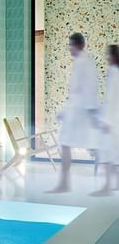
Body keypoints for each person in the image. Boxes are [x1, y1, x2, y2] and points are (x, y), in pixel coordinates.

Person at [49, 32, 99, 193]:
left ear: (77, 45)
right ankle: (64, 183)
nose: (69, 48)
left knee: (66, 143)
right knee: (66, 143)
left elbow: (85, 91)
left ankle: (64, 184)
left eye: (70, 45)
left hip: (79, 111)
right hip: (78, 110)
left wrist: (68, 111)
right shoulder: (84, 62)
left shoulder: (83, 63)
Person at [93, 45, 119, 195]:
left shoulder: (114, 72)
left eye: (108, 54)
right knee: (114, 152)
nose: (106, 57)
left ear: (114, 56)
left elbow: (111, 98)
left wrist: (106, 120)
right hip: (115, 118)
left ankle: (107, 186)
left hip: (112, 120)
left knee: (107, 152)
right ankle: (115, 184)